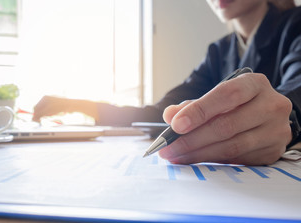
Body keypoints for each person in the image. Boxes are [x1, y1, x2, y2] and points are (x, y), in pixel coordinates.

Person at [33, 0, 301, 166]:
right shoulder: (217, 52)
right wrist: (82, 106)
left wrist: (289, 118)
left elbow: (297, 90)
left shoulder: (295, 24)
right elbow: (162, 112)